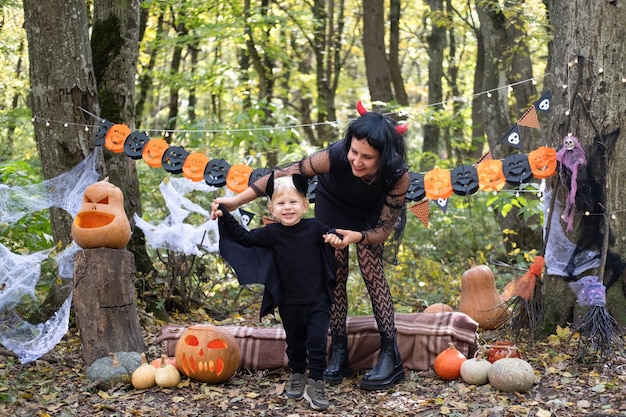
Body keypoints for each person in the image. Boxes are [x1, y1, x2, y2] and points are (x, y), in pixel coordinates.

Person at [213, 106, 409, 391]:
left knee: (371, 269)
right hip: (333, 202)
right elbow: (281, 175)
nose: (356, 160)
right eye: (354, 152)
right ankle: (339, 351)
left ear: (385, 156)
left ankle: (391, 356)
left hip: (369, 215)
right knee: (334, 271)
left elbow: (382, 231)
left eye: (367, 157)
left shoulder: (397, 175)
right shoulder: (336, 155)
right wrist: (234, 202)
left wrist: (358, 237)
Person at [212, 173, 341, 411]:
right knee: (294, 342)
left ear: (304, 205)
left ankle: (316, 384)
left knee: (316, 341)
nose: (288, 207)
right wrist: (225, 214)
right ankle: (298, 375)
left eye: (293, 202)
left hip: (318, 300)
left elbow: (333, 234)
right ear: (272, 208)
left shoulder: (314, 227)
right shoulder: (272, 233)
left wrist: (335, 237)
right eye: (281, 203)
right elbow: (244, 238)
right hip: (289, 301)